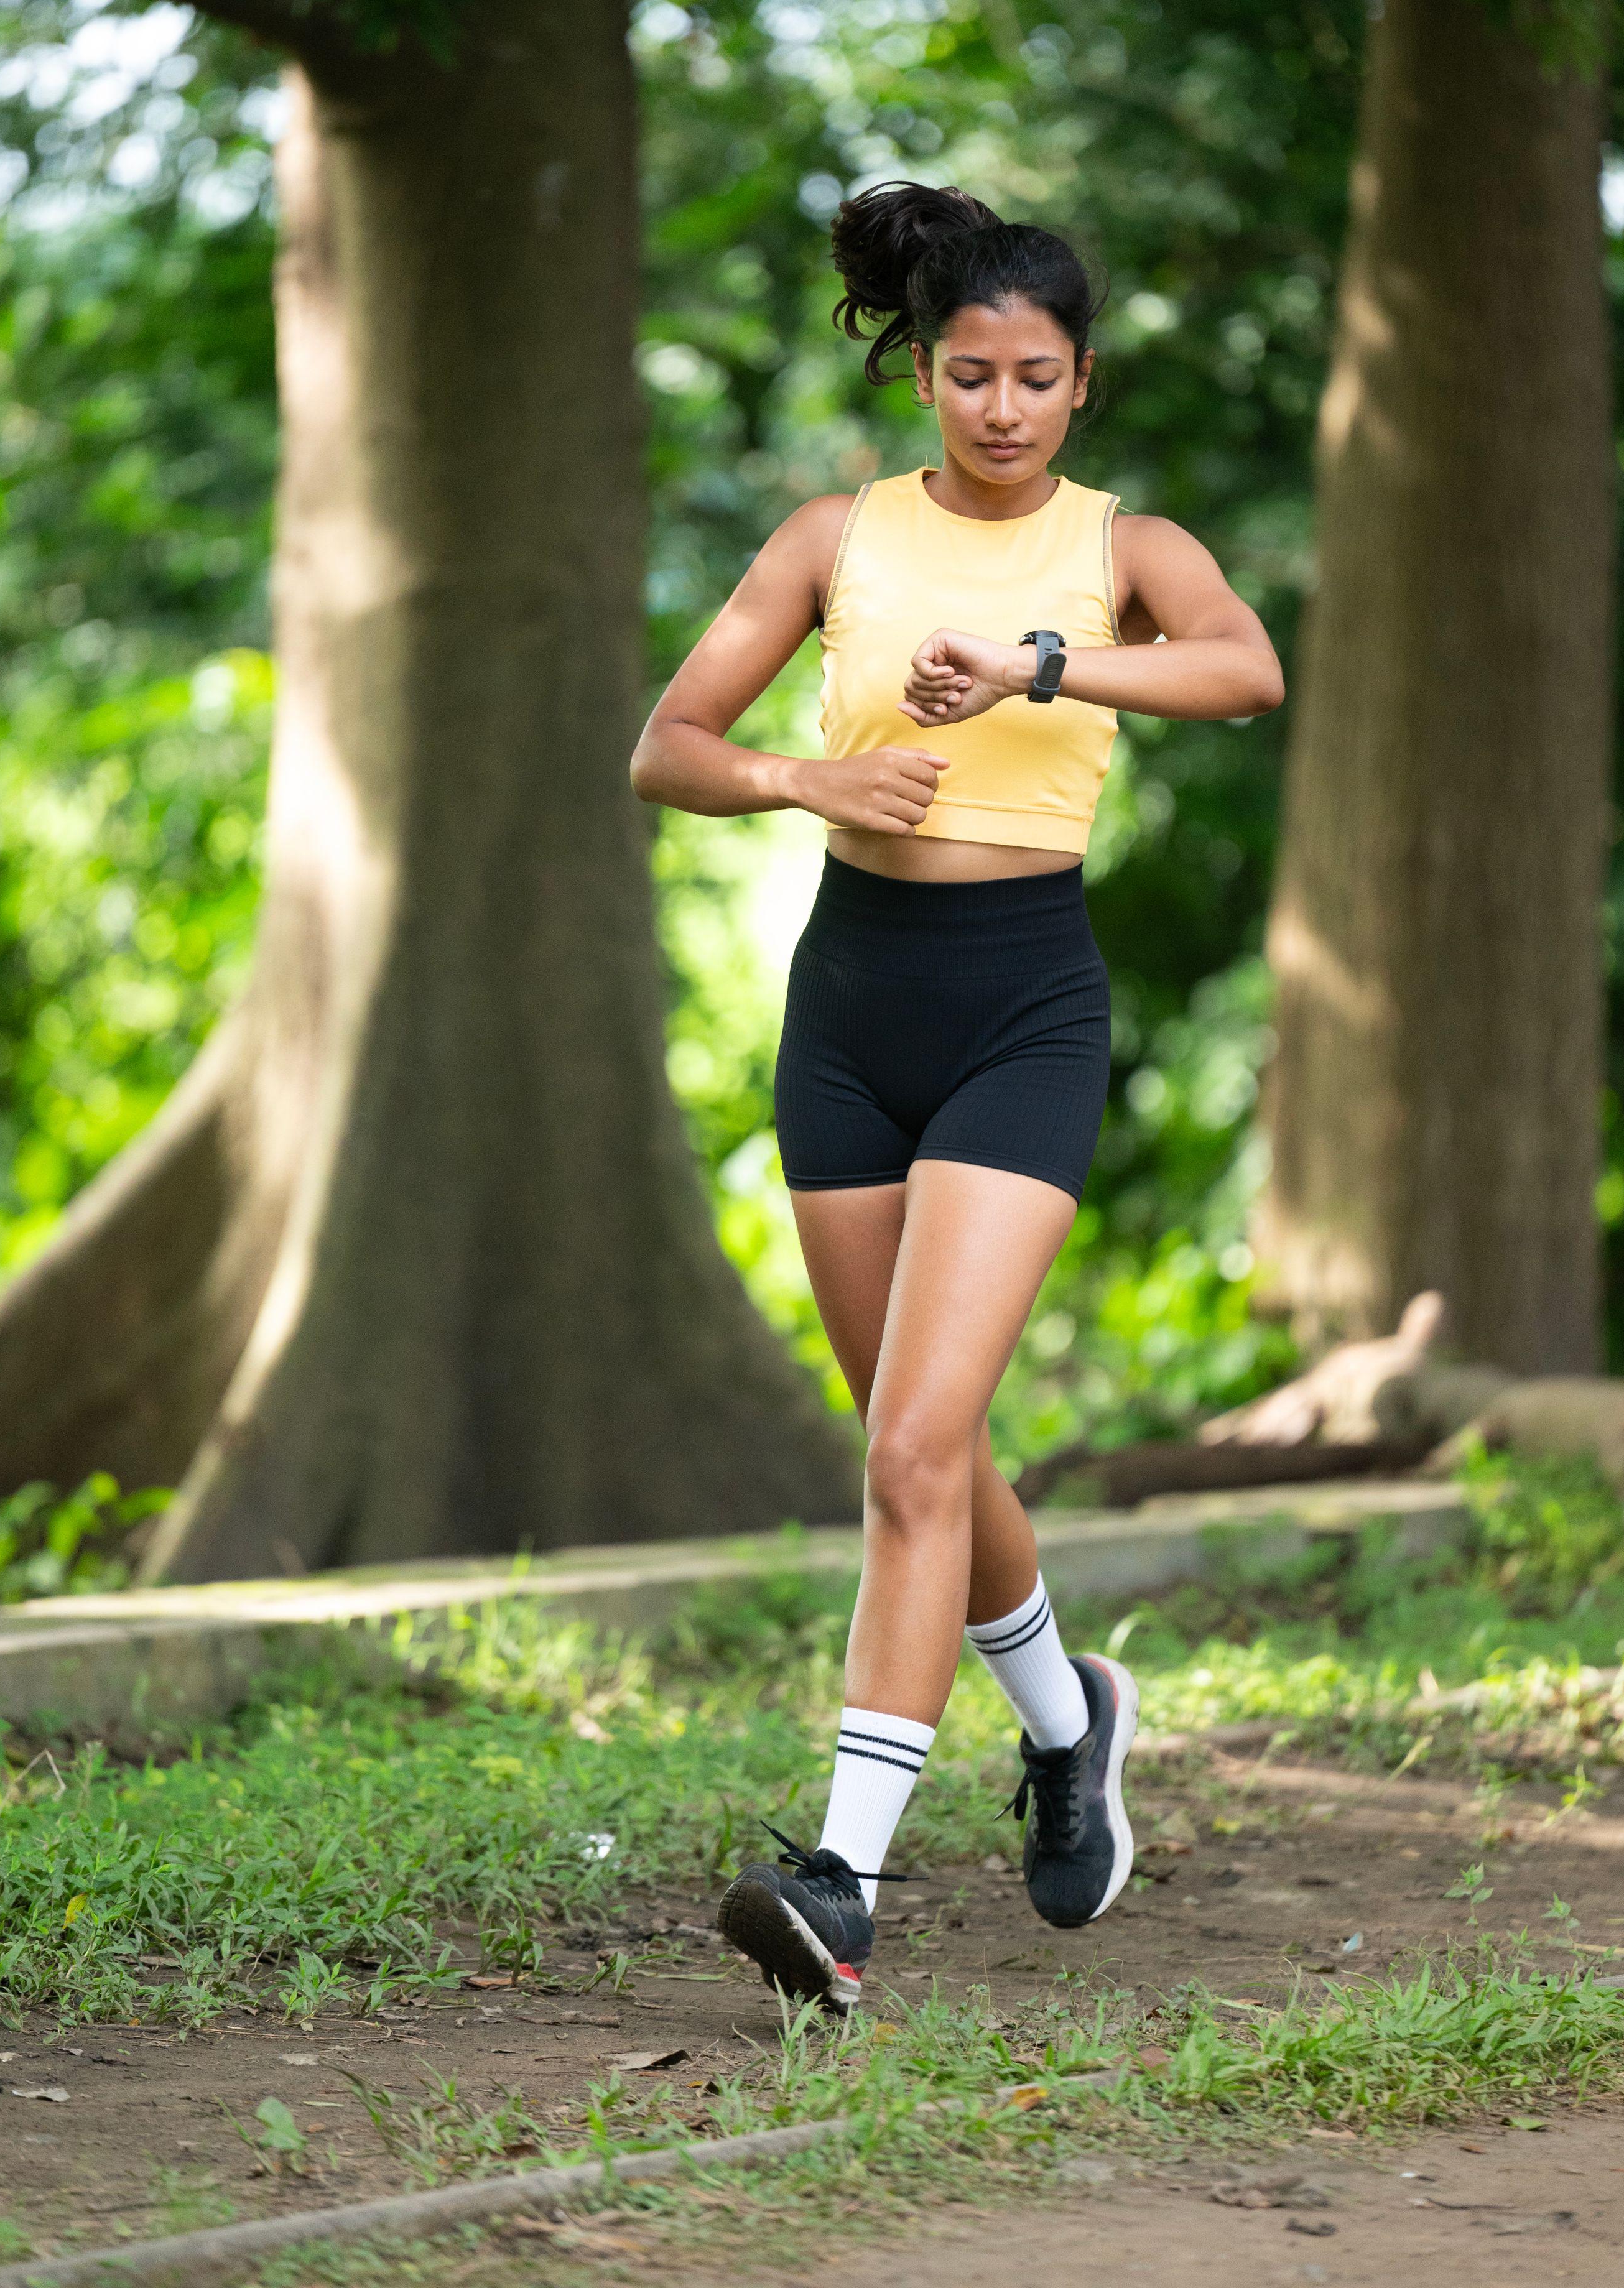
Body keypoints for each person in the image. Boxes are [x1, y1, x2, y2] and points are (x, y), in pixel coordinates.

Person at [630, 182, 1283, 2011]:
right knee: (923, 1446)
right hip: (846, 1008)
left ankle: (837, 1879)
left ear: (1082, 388)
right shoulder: (833, 535)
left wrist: (1040, 662)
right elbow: (664, 748)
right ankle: (1071, 1722)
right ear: (921, 372)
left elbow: (1246, 671)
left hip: (1023, 1012)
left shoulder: (1121, 547)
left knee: (914, 1455)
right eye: (969, 373)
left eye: (1036, 377)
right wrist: (803, 787)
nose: (1000, 407)